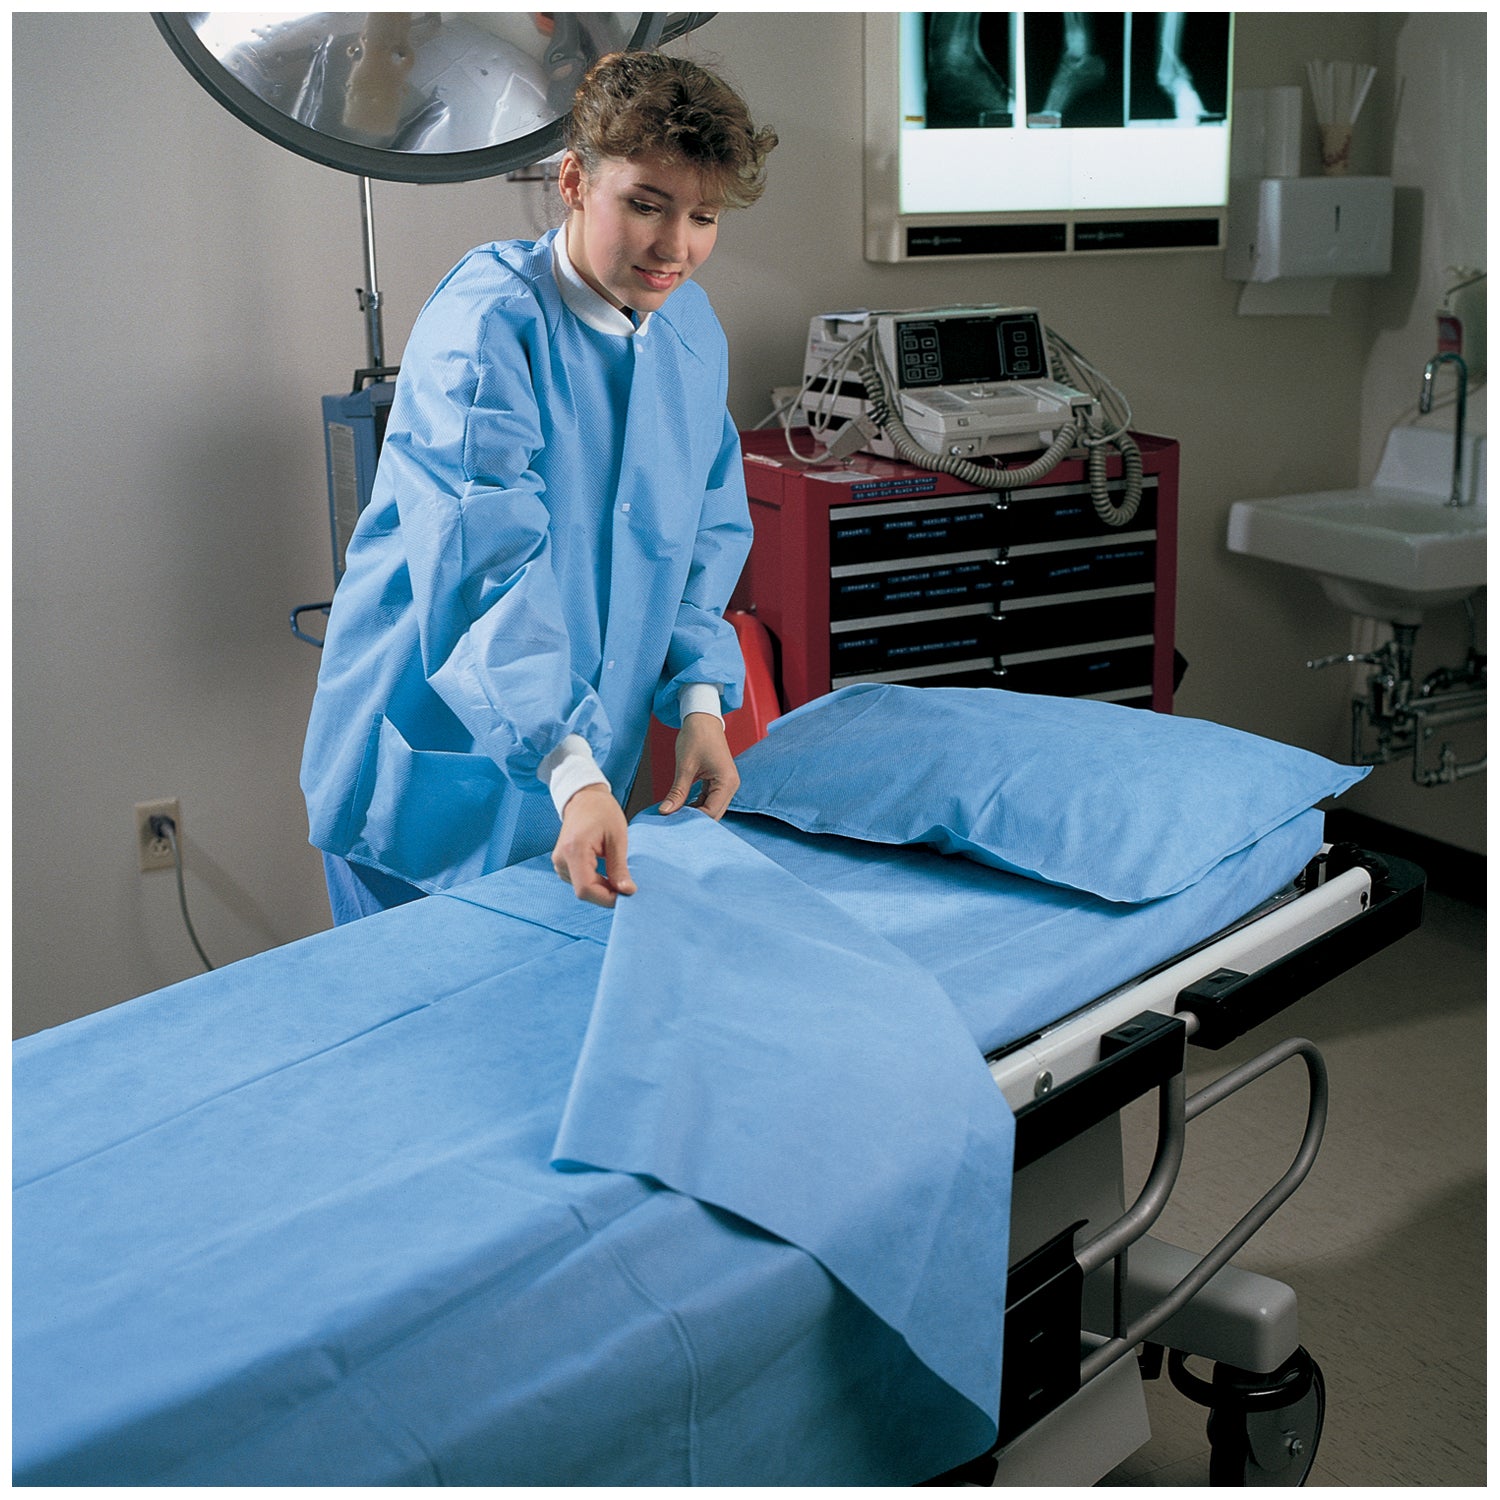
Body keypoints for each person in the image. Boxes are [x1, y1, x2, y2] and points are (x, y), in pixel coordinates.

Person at [300, 49, 777, 922]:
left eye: (704, 216)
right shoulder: (487, 326)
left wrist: (701, 702)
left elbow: (703, 532)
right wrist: (567, 765)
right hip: (437, 770)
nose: (676, 247)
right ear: (573, 181)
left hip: (580, 773)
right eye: (646, 205)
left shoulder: (688, 329)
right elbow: (485, 571)